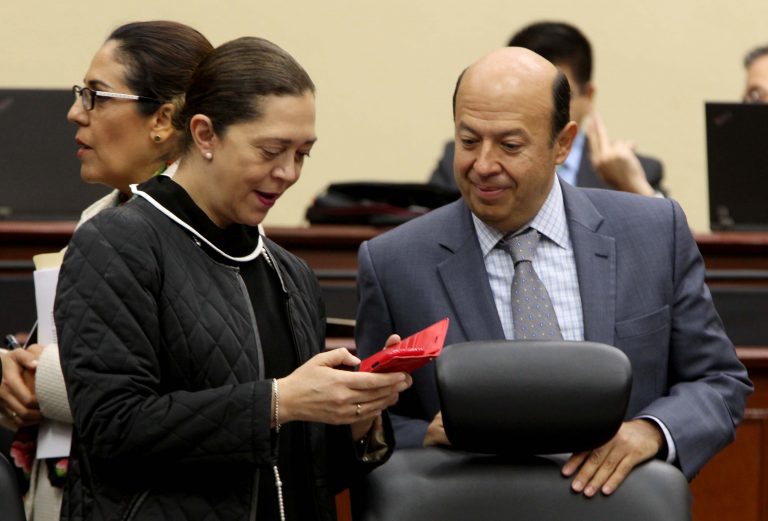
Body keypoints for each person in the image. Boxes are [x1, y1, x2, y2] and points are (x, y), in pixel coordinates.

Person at [356, 46, 751, 497]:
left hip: (617, 506)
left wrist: (651, 431)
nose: (483, 165)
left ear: (562, 143)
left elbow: (719, 381)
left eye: (510, 145)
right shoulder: (394, 262)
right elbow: (370, 422)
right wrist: (425, 434)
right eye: (468, 141)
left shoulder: (654, 234)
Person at [55, 36, 411, 521]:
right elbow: (113, 428)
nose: (288, 173)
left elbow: (310, 472)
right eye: (271, 150)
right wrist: (277, 401)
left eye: (303, 153)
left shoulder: (290, 273)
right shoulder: (117, 243)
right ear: (204, 135)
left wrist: (356, 415)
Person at [0, 20, 213, 521]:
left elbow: (196, 391)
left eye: (95, 96)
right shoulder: (99, 217)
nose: (75, 113)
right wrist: (10, 368)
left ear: (162, 118)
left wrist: (41, 377)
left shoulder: (212, 230)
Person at [428, 21, 665, 197]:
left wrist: (635, 187)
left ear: (588, 96)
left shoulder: (638, 172)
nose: (485, 165)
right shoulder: (459, 163)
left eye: (564, 96)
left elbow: (676, 255)